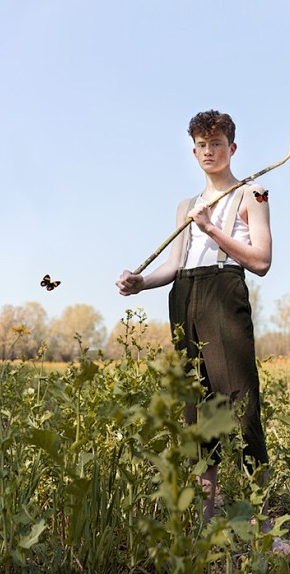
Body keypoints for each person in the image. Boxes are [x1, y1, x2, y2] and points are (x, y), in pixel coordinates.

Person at [116, 109, 272, 524]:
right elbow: (175, 265)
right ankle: (206, 517)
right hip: (185, 296)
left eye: (217, 144)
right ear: (193, 150)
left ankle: (263, 519)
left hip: (224, 291)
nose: (209, 151)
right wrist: (141, 282)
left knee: (240, 400)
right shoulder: (186, 205)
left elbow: (261, 262)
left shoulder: (253, 194)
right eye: (202, 145)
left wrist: (211, 230)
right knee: (198, 408)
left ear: (232, 148)